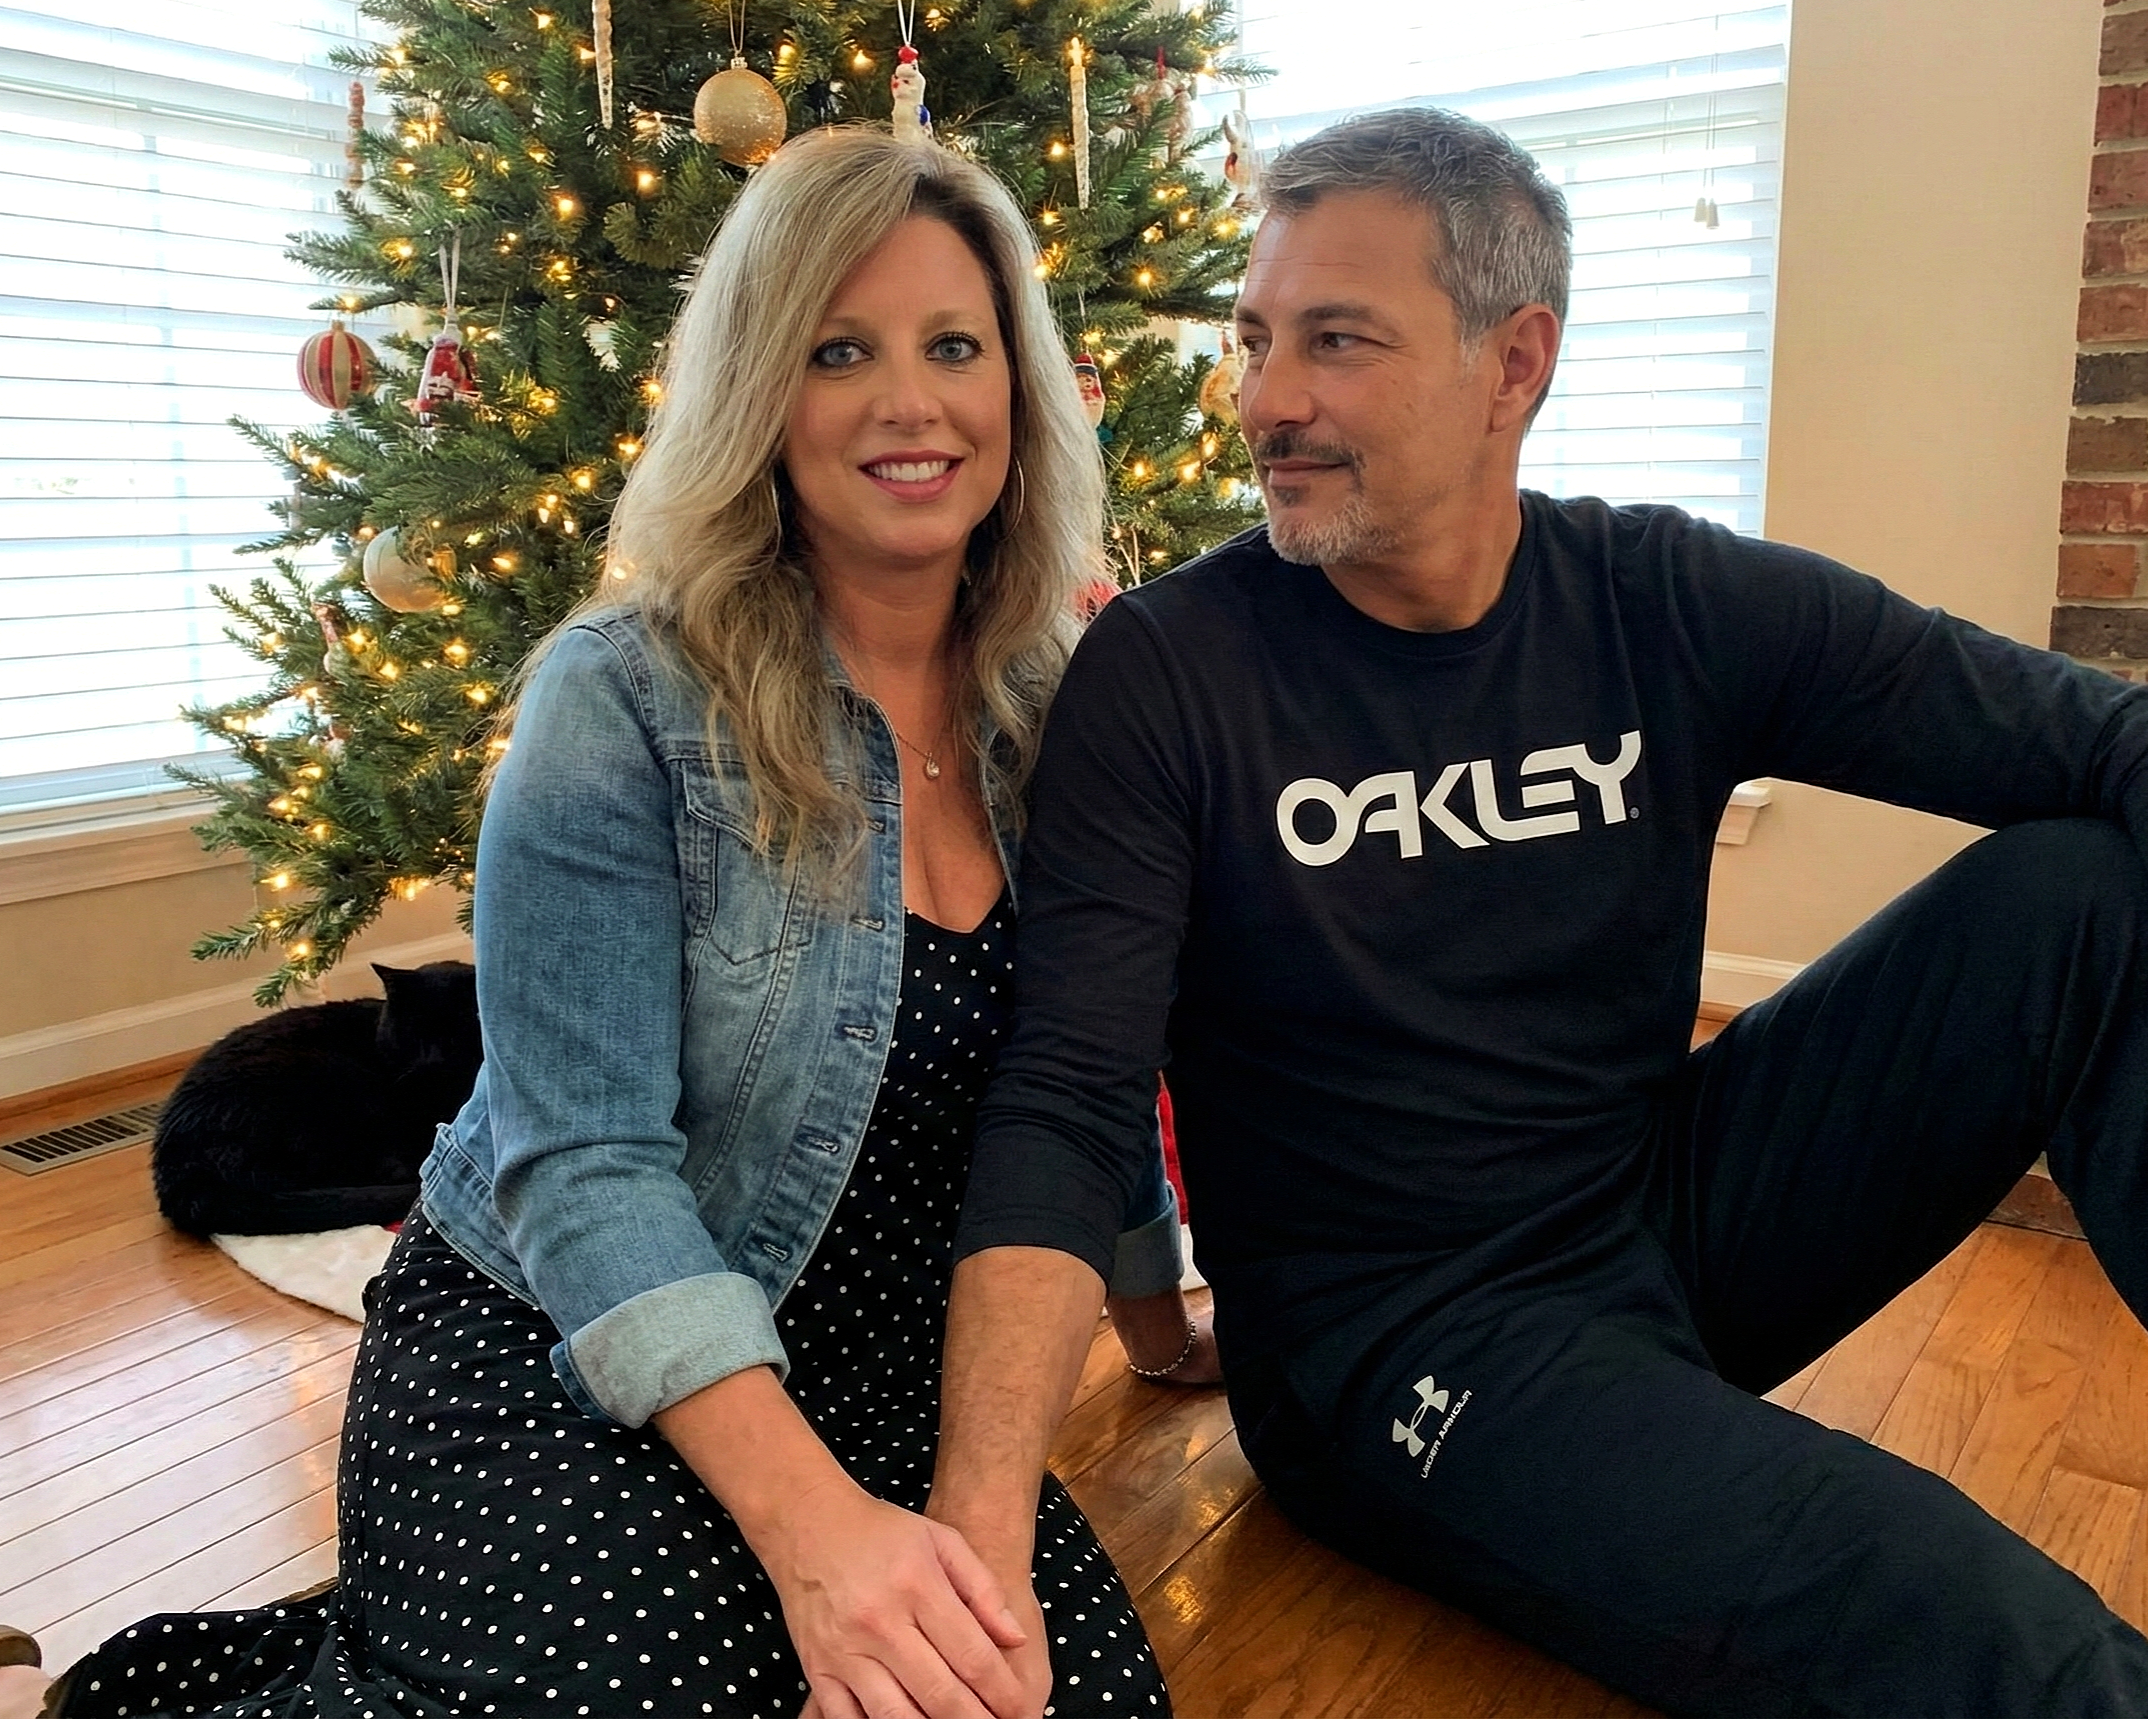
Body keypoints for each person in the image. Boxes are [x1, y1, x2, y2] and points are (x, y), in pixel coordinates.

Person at [926, 105, 2148, 1719]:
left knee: (2084, 889)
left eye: (1336, 341)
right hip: (1407, 1337)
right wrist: (972, 1546)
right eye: (1254, 337)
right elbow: (1071, 1098)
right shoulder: (1172, 673)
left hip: (1668, 1212)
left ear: (1516, 365)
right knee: (1996, 1630)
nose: (1264, 400)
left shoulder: (1660, 596)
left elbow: (2090, 736)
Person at [9, 125, 1205, 1719]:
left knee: (1065, 1699)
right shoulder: (623, 696)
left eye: (954, 347)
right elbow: (581, 1164)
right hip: (551, 1354)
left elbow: (1079, 1083)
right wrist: (818, 1538)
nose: (908, 403)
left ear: (1017, 389)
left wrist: (1155, 1314)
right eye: (838, 350)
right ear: (762, 392)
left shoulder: (1066, 722)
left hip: (879, 1389)